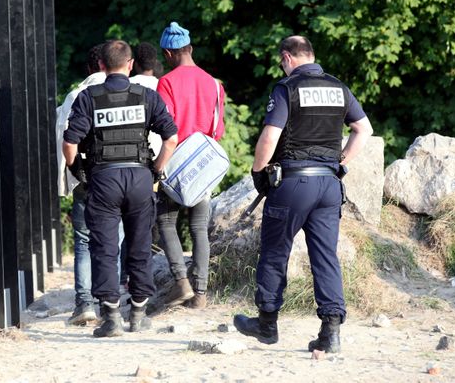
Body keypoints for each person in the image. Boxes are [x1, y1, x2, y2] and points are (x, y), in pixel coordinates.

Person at [233, 35, 373, 353]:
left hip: (294, 183)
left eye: (282, 62)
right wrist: (342, 161)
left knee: (274, 252)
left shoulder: (287, 88)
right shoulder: (338, 87)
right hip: (329, 185)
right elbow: (364, 129)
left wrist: (258, 172)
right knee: (325, 257)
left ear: (287, 57)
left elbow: (270, 136)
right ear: (311, 55)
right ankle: (331, 332)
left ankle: (267, 324)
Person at [62, 40, 178, 338]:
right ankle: (138, 314)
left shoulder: (89, 97)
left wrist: (78, 172)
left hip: (103, 179)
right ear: (130, 65)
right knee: (139, 245)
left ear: (101, 65)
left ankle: (111, 317)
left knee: (104, 248)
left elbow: (70, 142)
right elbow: (171, 138)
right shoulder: (146, 96)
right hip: (139, 177)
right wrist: (156, 170)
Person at [155, 22, 225, 309]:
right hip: (204, 163)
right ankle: (201, 294)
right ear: (190, 49)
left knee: (166, 221)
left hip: (175, 162)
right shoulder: (214, 83)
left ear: (168, 54)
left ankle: (181, 282)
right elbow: (217, 130)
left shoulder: (167, 82)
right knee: (198, 226)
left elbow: (165, 128)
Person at [55, 44, 125, 325]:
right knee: (114, 240)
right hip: (122, 177)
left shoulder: (76, 95)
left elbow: (64, 139)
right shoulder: (131, 92)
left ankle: (84, 303)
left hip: (88, 175)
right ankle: (110, 301)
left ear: (93, 66)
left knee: (84, 242)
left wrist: (73, 174)